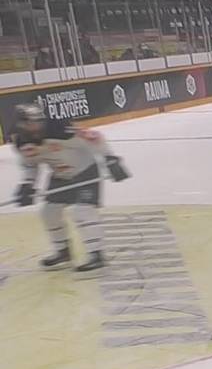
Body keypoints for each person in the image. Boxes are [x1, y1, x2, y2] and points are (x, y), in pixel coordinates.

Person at [8, 102, 130, 272]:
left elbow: (94, 138)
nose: (36, 126)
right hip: (60, 175)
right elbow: (31, 164)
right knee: (49, 213)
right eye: (30, 122)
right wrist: (28, 184)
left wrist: (110, 159)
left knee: (83, 211)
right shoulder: (20, 141)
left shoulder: (60, 129)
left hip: (85, 170)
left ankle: (97, 255)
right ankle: (63, 252)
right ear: (20, 124)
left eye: (38, 121)